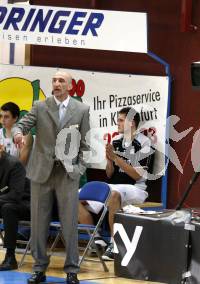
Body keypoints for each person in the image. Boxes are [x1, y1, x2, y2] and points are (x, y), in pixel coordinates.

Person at [13, 71, 90, 284]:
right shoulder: (40, 106)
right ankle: (39, 268)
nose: (56, 84)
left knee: (69, 224)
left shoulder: (81, 109)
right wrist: (18, 134)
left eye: (61, 81)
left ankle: (72, 270)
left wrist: (78, 169)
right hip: (41, 172)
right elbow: (22, 124)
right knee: (38, 223)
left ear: (70, 86)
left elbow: (85, 144)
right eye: (54, 80)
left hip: (67, 174)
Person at [78, 107, 152, 261]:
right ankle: (96, 240)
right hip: (113, 185)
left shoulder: (144, 143)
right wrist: (109, 160)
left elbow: (137, 175)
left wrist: (117, 159)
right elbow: (109, 174)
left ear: (131, 123)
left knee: (113, 194)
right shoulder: (116, 141)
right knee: (75, 196)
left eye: (120, 120)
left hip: (136, 189)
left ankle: (114, 244)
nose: (117, 123)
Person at [0, 144, 31, 271]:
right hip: (4, 203)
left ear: (1, 147)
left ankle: (10, 257)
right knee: (7, 207)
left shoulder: (14, 164)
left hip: (26, 204)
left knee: (8, 208)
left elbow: (16, 194)